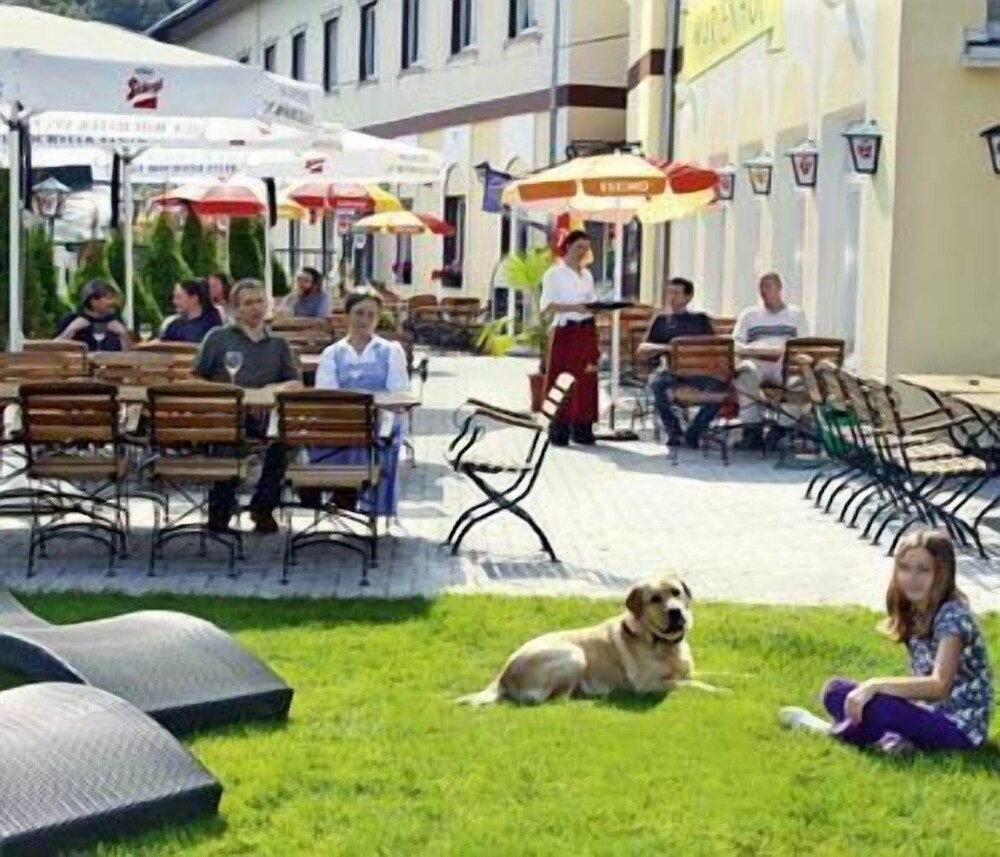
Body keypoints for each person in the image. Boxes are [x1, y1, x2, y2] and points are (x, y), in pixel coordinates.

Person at [779, 530, 993, 755]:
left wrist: (875, 685)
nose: (912, 578)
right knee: (836, 690)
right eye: (905, 568)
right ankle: (894, 740)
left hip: (959, 729)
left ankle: (829, 732)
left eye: (923, 570)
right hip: (928, 714)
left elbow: (938, 686)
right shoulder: (915, 611)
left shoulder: (953, 617)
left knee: (881, 707)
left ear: (942, 574)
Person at [193, 278, 301, 534]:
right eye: (248, 303)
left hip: (264, 416)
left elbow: (294, 383)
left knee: (288, 440)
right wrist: (231, 395)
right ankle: (220, 510)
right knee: (227, 437)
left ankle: (262, 508)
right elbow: (196, 378)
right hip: (224, 415)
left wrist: (267, 392)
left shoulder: (278, 344)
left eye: (260, 301)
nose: (255, 308)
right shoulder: (218, 338)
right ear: (235, 308)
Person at [312, 288, 410, 517]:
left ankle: (351, 494)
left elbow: (397, 393)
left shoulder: (391, 351)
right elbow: (327, 394)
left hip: (379, 422)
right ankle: (346, 489)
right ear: (347, 316)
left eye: (371, 315)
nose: (364, 320)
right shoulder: (332, 353)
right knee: (343, 433)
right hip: (342, 423)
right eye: (359, 313)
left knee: (374, 433)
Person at [638, 277, 723, 449]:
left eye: (676, 293)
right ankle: (674, 432)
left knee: (722, 389)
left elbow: (715, 346)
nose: (671, 297)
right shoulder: (661, 320)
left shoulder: (700, 320)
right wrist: (670, 348)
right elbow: (643, 348)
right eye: (669, 293)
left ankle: (694, 432)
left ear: (688, 297)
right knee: (657, 386)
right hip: (673, 372)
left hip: (700, 372)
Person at [732, 273, 809, 451]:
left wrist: (782, 352)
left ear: (779, 288)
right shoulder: (749, 315)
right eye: (761, 287)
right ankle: (752, 430)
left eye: (768, 286)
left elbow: (803, 342)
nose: (764, 291)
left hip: (783, 363)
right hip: (757, 361)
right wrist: (753, 351)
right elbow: (736, 343)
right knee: (744, 375)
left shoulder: (795, 314)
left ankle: (781, 428)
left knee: (798, 383)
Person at [540, 230, 599, 447]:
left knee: (586, 378)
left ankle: (582, 426)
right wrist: (575, 307)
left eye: (586, 248)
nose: (582, 252)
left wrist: (597, 308)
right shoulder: (554, 274)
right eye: (578, 247)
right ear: (567, 247)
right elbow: (547, 306)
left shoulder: (587, 275)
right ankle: (558, 427)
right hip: (566, 330)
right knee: (561, 378)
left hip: (586, 330)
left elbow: (591, 301)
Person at [55, 279, 132, 352]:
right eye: (108, 298)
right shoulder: (71, 319)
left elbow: (128, 355)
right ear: (93, 300)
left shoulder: (116, 320)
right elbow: (53, 349)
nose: (112, 302)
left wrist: (123, 334)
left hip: (110, 361)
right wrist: (72, 329)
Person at [159, 279, 223, 344]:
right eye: (174, 297)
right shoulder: (174, 325)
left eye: (179, 297)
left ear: (194, 298)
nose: (175, 301)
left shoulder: (211, 323)